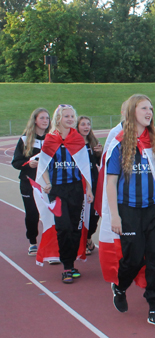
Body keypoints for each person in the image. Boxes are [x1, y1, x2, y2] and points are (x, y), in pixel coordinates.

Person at [105, 94, 155, 328]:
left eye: (151, 108)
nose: (149, 111)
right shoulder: (119, 142)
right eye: (144, 107)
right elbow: (111, 181)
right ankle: (120, 286)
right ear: (133, 111)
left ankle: (154, 307)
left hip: (154, 209)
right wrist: (114, 215)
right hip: (128, 209)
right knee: (134, 258)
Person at [37, 104, 93, 283]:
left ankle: (72, 262)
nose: (70, 119)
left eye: (72, 116)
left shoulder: (77, 139)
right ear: (58, 118)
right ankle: (67, 267)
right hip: (58, 190)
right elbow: (43, 164)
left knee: (76, 227)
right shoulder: (50, 139)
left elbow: (85, 167)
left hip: (76, 188)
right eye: (66, 116)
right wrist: (47, 183)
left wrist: (89, 189)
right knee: (63, 227)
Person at [11, 108, 51, 256]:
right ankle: (33, 242)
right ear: (35, 120)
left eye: (47, 118)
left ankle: (51, 242)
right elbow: (16, 162)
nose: (45, 121)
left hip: (48, 183)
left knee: (50, 213)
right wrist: (29, 164)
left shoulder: (52, 139)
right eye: (42, 118)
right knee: (32, 213)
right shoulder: (25, 139)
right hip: (29, 182)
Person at [76, 116, 103, 255]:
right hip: (79, 184)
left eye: (88, 124)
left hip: (94, 183)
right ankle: (82, 242)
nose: (86, 127)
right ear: (77, 126)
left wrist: (99, 153)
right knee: (81, 214)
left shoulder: (93, 142)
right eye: (83, 124)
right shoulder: (73, 143)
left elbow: (100, 162)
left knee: (95, 215)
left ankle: (88, 237)